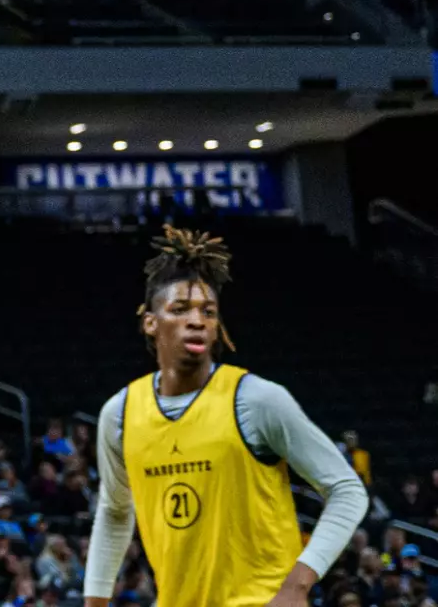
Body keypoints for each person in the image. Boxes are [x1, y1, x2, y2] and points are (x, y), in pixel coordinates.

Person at [82, 227, 369, 607]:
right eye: (180, 309)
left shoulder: (257, 400)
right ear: (150, 322)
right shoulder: (119, 414)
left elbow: (347, 490)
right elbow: (115, 511)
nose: (197, 320)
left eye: (208, 311)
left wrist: (297, 585)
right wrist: (95, 601)